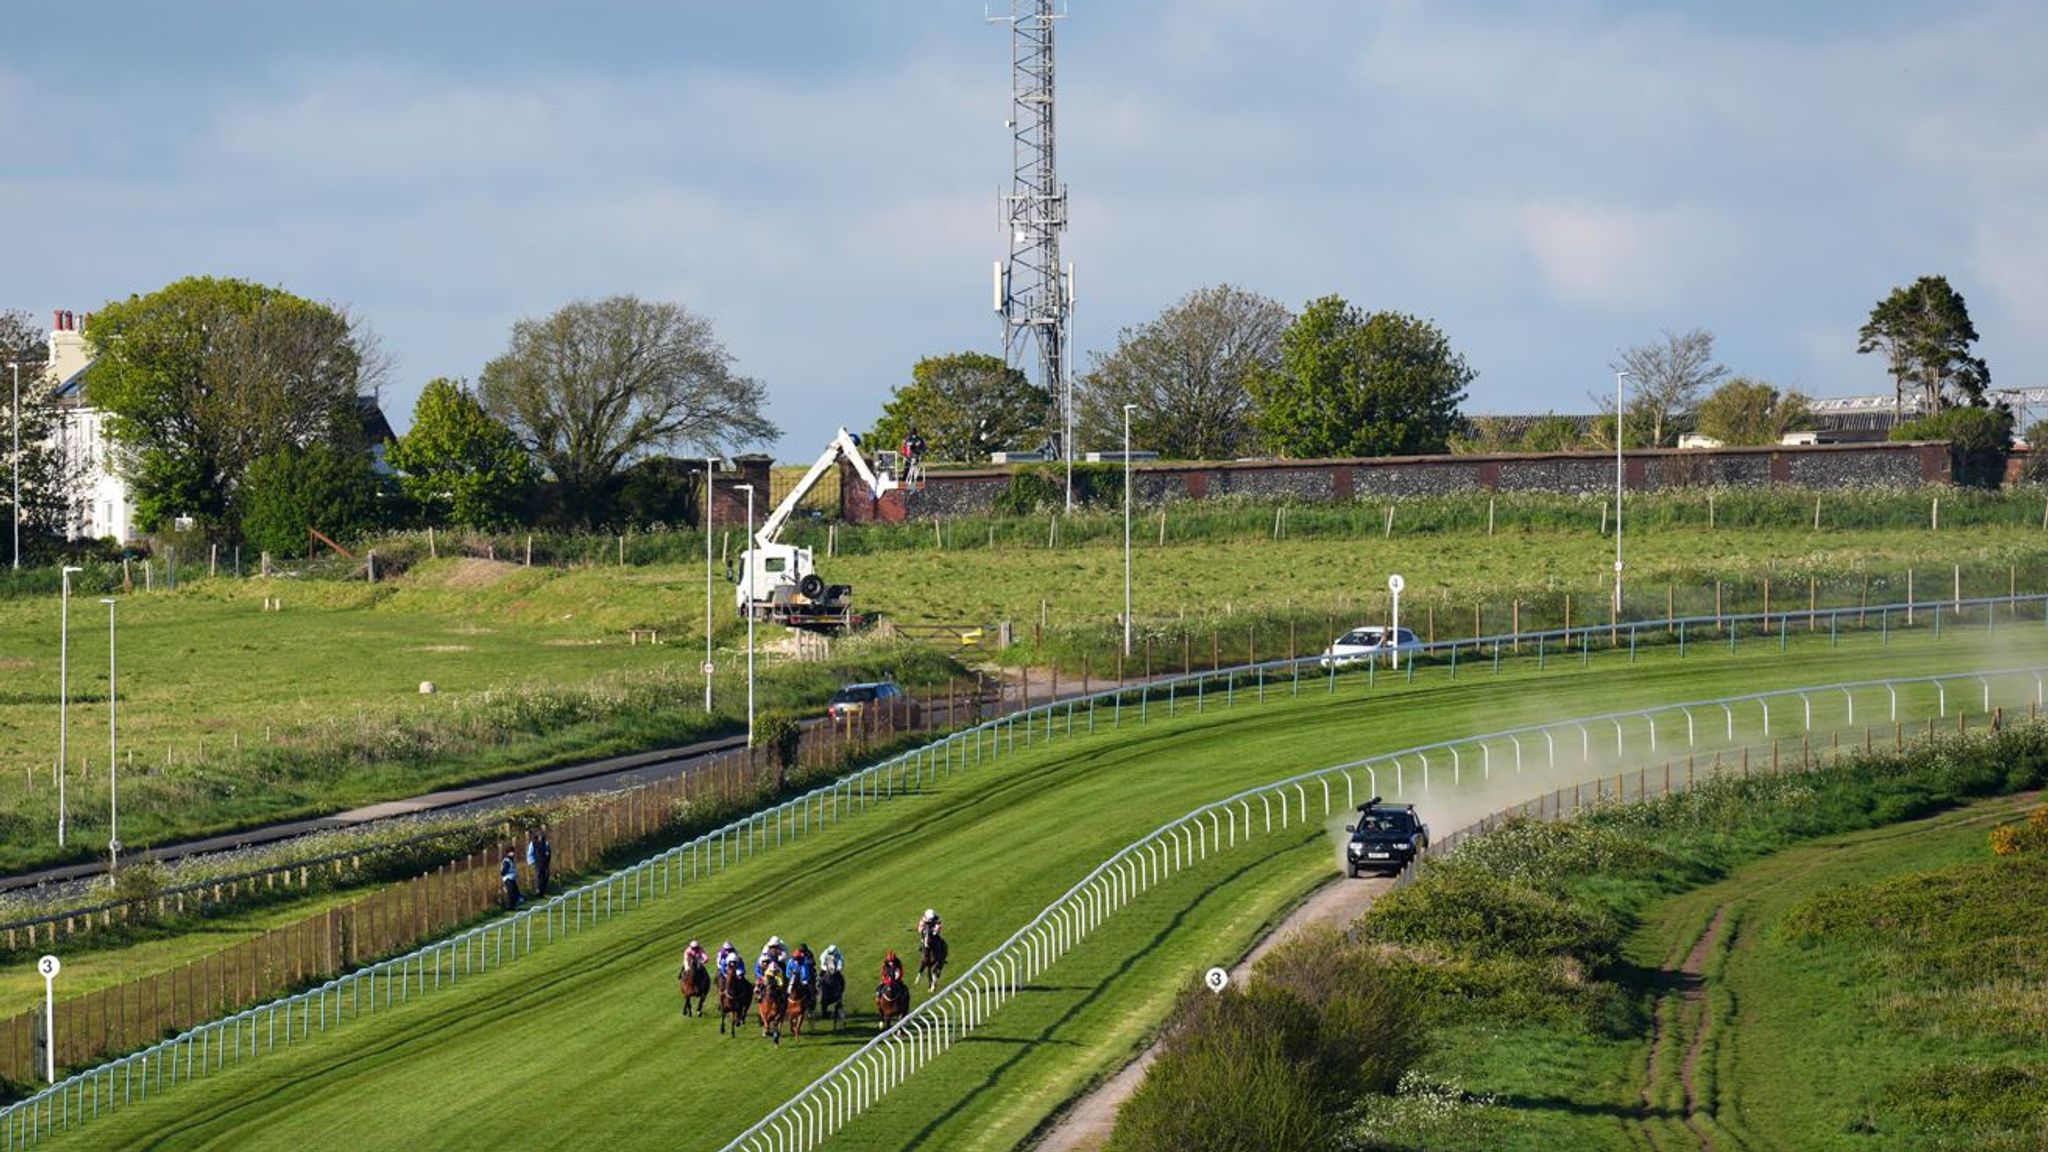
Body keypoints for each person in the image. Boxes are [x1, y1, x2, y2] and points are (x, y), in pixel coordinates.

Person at [533, 828, 553, 895]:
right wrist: (532, 862)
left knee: (546, 876)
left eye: (542, 836)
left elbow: (549, 851)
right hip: (538, 863)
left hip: (545, 862)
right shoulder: (534, 843)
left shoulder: (546, 843)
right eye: (540, 836)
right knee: (538, 877)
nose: (541, 837)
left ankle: (544, 890)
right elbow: (530, 853)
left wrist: (548, 858)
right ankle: (538, 891)